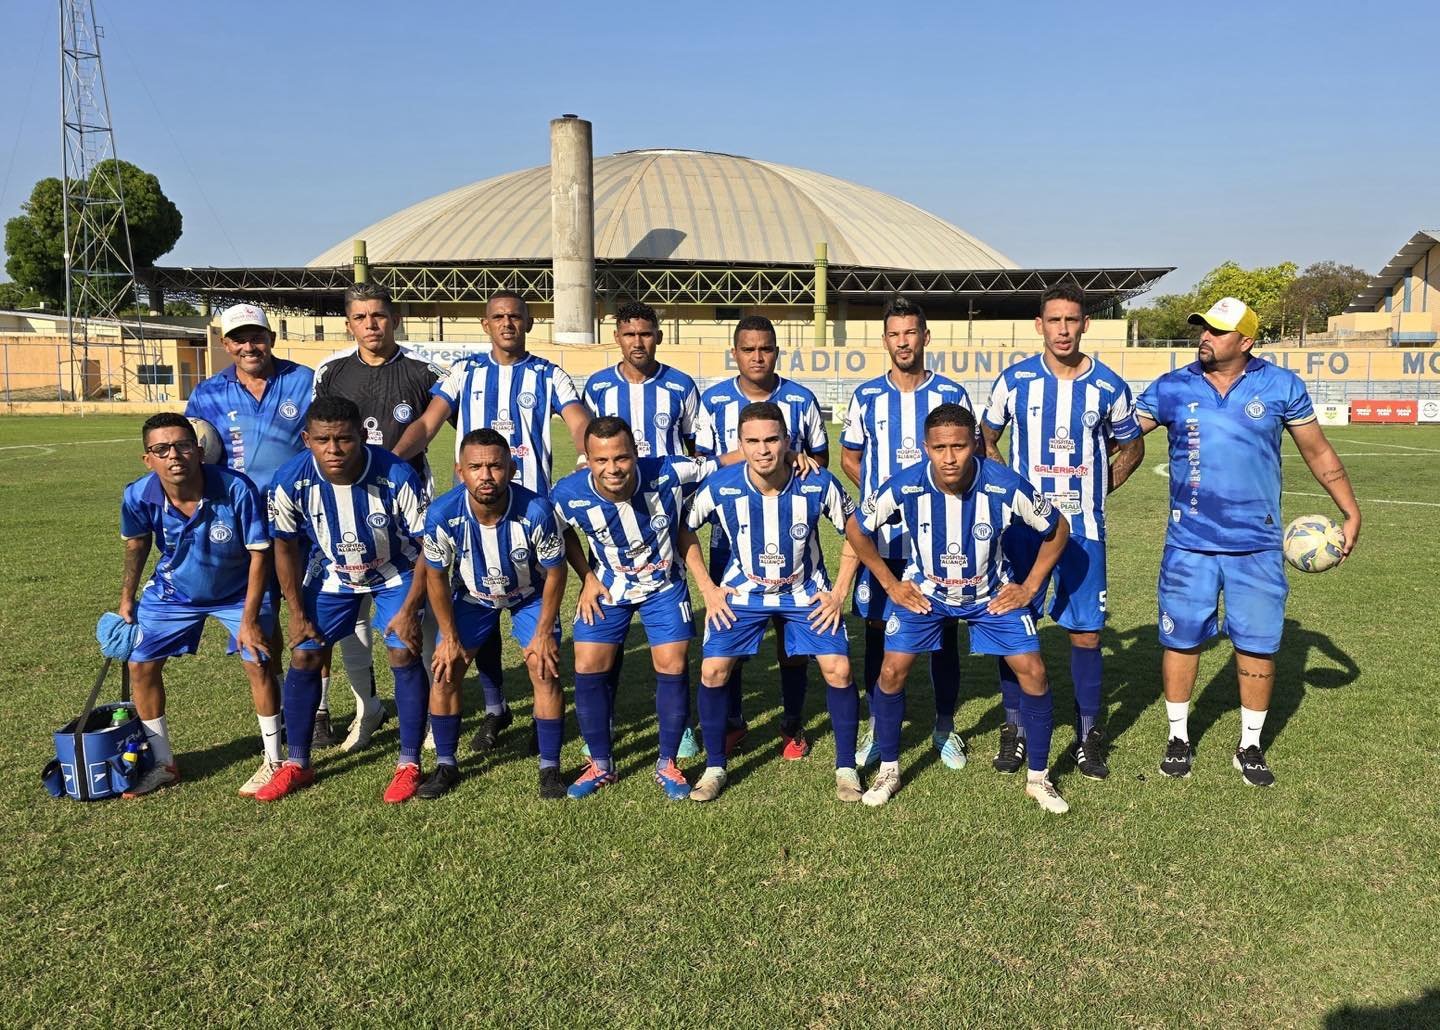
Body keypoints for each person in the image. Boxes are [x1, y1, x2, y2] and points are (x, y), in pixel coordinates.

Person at [1134, 297, 1360, 786]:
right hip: (1188, 544)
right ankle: (1178, 737)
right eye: (1203, 329)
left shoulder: (1280, 386)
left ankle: (1250, 745)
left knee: (1257, 645)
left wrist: (1350, 508)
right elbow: (1123, 437)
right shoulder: (1172, 386)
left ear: (1246, 341)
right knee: (1182, 639)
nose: (1205, 338)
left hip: (1257, 546)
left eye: (1217, 331)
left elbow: (1317, 450)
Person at [394, 291, 589, 753]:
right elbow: (427, 423)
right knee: (477, 610)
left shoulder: (548, 374)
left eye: (515, 317)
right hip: (474, 515)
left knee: (530, 625)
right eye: (498, 317)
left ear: (528, 323)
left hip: (529, 514)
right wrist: (390, 462)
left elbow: (578, 419)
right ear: (486, 325)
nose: (507, 324)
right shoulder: (465, 372)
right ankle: (495, 708)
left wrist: (589, 454)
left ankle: (518, 722)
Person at [857, 403, 1071, 813]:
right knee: (890, 671)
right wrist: (890, 584)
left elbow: (1057, 528)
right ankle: (889, 768)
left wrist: (1028, 586)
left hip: (989, 595)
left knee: (1035, 672)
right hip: (926, 595)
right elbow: (857, 528)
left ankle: (1039, 780)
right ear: (926, 448)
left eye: (959, 446)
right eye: (940, 448)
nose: (950, 457)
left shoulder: (1004, 484)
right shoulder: (906, 485)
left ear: (974, 443)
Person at [981, 283, 1146, 779]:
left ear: (1085, 325)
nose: (1063, 330)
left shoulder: (1110, 386)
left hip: (1085, 532)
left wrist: (1098, 491)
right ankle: (1016, 729)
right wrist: (1012, 490)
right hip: (1023, 533)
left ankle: (1088, 736)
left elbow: (1132, 447)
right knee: (1013, 629)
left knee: (1087, 637)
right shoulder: (1014, 382)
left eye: (1072, 320)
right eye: (1054, 320)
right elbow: (986, 438)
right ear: (1040, 325)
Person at [678, 401, 866, 803]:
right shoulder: (722, 485)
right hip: (741, 594)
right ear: (740, 444)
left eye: (771, 439)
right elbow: (684, 529)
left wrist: (839, 592)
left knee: (839, 668)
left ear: (786, 441)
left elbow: (856, 531)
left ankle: (846, 768)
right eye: (753, 441)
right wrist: (708, 589)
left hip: (805, 592)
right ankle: (714, 768)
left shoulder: (817, 483)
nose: (763, 449)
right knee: (713, 671)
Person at [260, 397, 430, 803]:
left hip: (397, 570)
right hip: (333, 573)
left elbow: (429, 547)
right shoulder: (289, 481)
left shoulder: (397, 475)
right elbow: (283, 549)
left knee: (402, 653)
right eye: (323, 440)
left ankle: (409, 764)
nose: (333, 450)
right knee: (304, 654)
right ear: (307, 439)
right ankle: (297, 764)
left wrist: (409, 610)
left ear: (362, 436)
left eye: (343, 439)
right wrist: (298, 613)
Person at [116, 413, 281, 798]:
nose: (174, 455)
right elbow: (136, 543)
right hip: (174, 593)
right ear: (148, 459)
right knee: (140, 664)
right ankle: (163, 763)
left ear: (200, 450)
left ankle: (274, 760)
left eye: (183, 445)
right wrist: (127, 597)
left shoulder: (237, 488)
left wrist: (250, 620)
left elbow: (260, 555)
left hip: (238, 591)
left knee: (257, 659)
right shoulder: (138, 495)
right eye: (161, 449)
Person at [549, 416, 712, 801]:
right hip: (607, 587)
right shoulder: (567, 493)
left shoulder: (669, 471)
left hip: (663, 586)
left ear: (636, 453)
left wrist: (791, 454)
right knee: (587, 664)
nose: (612, 468)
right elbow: (561, 530)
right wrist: (586, 574)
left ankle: (668, 762)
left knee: (672, 664)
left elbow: (726, 461)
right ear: (586, 459)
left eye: (621, 458)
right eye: (601, 460)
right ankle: (601, 764)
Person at [312, 282, 444, 752]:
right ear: (349, 323)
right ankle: (367, 706)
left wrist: (386, 466)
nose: (371, 324)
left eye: (379, 315)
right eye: (361, 316)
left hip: (405, 510)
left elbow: (437, 424)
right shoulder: (331, 372)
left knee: (415, 613)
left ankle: (430, 712)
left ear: (395, 319)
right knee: (355, 614)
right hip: (343, 511)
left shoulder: (423, 372)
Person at [841, 296, 972, 770]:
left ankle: (943, 726)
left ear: (925, 337)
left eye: (911, 333)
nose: (903, 342)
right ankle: (879, 725)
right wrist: (886, 500)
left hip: (943, 539)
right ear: (885, 341)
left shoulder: (951, 393)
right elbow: (850, 458)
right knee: (877, 629)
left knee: (945, 629)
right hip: (885, 542)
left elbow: (966, 457)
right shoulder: (866, 396)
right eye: (894, 334)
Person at [694, 314, 830, 759]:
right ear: (734, 353)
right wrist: (750, 457)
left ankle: (792, 722)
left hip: (790, 542)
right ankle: (732, 721)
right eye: (748, 349)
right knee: (729, 637)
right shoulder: (713, 400)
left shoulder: (801, 399)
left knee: (791, 640)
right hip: (729, 540)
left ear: (776, 351)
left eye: (766, 348)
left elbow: (819, 463)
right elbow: (701, 466)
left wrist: (802, 458)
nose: (757, 356)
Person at [581, 300, 701, 759]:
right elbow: (589, 447)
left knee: (672, 635)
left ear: (658, 335)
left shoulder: (681, 386)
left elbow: (698, 446)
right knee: (606, 629)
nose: (638, 342)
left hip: (663, 518)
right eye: (629, 334)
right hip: (610, 519)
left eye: (646, 334)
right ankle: (605, 716)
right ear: (617, 337)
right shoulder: (597, 387)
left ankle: (681, 726)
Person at [424, 429, 569, 799]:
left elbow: (555, 571)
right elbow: (436, 577)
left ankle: (550, 768)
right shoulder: (442, 513)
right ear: (460, 471)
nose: (485, 476)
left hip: (528, 595)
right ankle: (445, 764)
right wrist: (449, 637)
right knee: (444, 671)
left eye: (495, 466)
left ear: (512, 468)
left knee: (543, 666)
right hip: (473, 597)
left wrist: (541, 634)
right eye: (476, 467)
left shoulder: (536, 510)